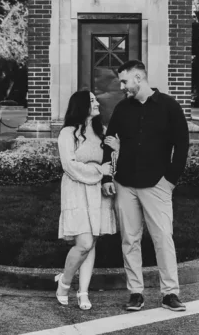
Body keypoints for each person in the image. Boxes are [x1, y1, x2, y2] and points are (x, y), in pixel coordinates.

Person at [101, 59, 190, 314]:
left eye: (125, 81)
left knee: (163, 238)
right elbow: (109, 142)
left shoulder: (170, 107)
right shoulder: (122, 108)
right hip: (125, 183)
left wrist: (170, 181)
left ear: (139, 78)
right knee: (130, 239)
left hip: (157, 184)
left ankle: (170, 293)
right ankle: (136, 293)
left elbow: (182, 146)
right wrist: (108, 176)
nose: (122, 86)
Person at [55, 89, 117, 310]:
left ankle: (83, 292)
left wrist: (114, 156)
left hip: (98, 193)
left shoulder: (102, 132)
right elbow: (69, 166)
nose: (97, 102)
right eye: (92, 100)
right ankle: (64, 283)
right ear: (81, 105)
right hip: (76, 190)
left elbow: (112, 160)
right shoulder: (67, 133)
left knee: (92, 244)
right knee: (84, 243)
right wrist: (98, 171)